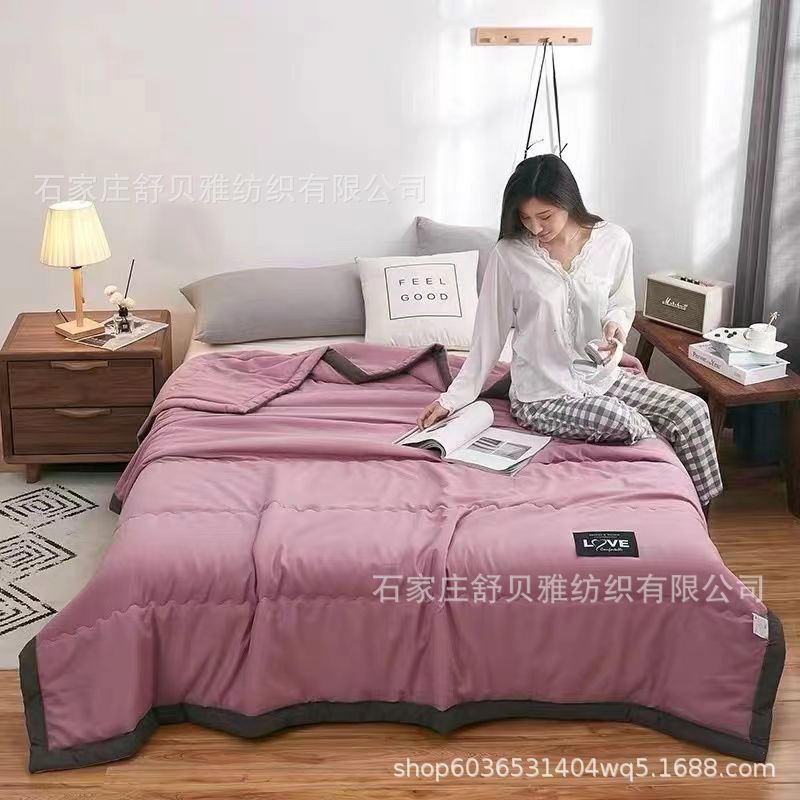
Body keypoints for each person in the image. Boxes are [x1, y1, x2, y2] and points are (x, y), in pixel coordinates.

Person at [416, 154, 722, 512]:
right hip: (542, 395)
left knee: (692, 410)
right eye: (525, 218)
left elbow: (621, 302)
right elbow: (488, 337)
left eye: (544, 216)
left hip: (601, 378)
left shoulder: (614, 241)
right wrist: (451, 400)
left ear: (568, 201)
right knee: (624, 420)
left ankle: (702, 518)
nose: (535, 227)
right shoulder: (509, 254)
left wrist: (615, 328)